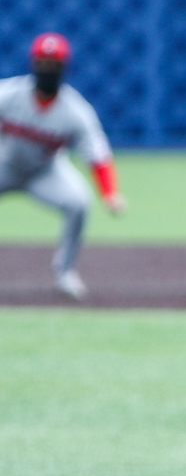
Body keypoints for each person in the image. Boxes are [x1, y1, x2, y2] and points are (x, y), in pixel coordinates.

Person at [0, 32, 126, 300]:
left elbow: (97, 153)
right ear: (34, 64)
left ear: (64, 67)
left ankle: (65, 272)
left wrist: (110, 192)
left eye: (54, 65)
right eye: (43, 63)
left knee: (79, 203)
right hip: (5, 163)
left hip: (45, 172)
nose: (48, 70)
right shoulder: (10, 94)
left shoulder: (75, 110)